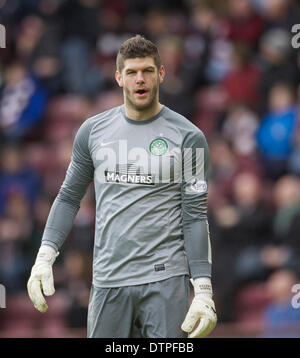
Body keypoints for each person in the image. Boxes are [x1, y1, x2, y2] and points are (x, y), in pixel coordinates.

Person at [27, 35, 217, 338]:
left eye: (147, 71)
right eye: (131, 72)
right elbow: (68, 198)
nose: (139, 79)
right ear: (119, 77)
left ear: (161, 74)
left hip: (166, 280)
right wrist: (45, 256)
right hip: (108, 279)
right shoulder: (92, 131)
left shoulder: (189, 137)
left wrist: (203, 288)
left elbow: (195, 216)